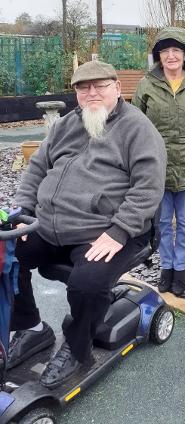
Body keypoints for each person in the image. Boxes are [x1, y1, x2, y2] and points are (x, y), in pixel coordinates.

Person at [9, 60, 166, 388]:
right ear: (76, 93)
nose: (92, 93)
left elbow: (149, 186)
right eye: (84, 88)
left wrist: (120, 229)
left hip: (106, 229)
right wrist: (22, 209)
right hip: (49, 224)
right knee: (5, 254)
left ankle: (77, 349)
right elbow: (37, 168)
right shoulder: (66, 124)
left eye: (100, 86)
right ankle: (31, 327)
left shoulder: (138, 129)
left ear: (117, 88)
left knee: (87, 284)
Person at [133, 27, 185, 297]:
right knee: (160, 224)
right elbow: (133, 125)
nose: (171, 56)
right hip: (156, 167)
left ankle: (179, 271)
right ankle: (165, 268)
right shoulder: (147, 84)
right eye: (165, 51)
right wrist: (135, 163)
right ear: (159, 56)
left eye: (176, 51)